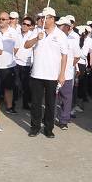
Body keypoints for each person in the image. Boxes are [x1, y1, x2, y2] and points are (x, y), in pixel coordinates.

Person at [24, 7, 68, 138]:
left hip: (52, 75)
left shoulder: (60, 35)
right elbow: (26, 45)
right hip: (37, 73)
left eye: (45, 17)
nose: (42, 20)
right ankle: (35, 127)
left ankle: (49, 128)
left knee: (50, 103)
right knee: (36, 103)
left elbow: (64, 56)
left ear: (52, 19)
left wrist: (62, 74)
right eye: (41, 17)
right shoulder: (37, 31)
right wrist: (37, 38)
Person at [56, 17, 81, 130]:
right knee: (52, 96)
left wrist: (68, 66)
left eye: (60, 25)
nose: (58, 27)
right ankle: (49, 116)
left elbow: (77, 56)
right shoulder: (54, 38)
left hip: (67, 74)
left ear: (67, 27)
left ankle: (64, 120)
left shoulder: (73, 40)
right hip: (53, 73)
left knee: (66, 98)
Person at [0, 12, 21, 114]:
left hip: (8, 66)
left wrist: (8, 57)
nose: (1, 20)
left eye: (3, 19)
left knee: (9, 88)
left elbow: (17, 47)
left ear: (8, 20)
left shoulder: (13, 33)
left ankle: (9, 107)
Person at [15, 16, 35, 110]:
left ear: (31, 26)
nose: (25, 26)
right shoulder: (16, 33)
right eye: (24, 24)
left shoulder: (32, 35)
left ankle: (25, 103)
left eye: (28, 25)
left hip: (26, 64)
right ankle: (13, 103)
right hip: (15, 62)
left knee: (26, 86)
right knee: (15, 84)